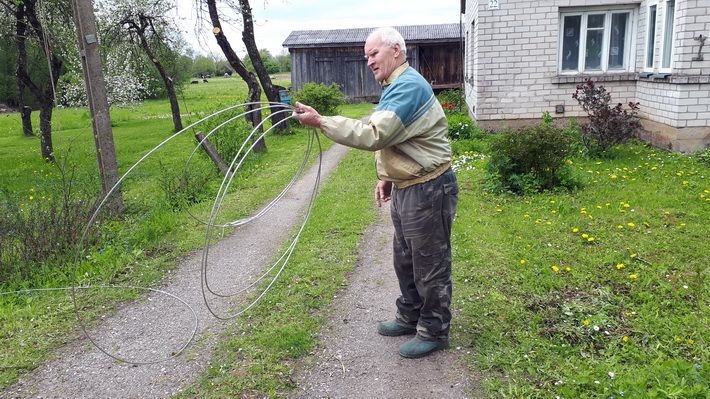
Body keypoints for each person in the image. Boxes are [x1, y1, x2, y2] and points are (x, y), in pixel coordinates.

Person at [293, 26, 458, 359]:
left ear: (395, 50)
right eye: (366, 56)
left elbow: (374, 134)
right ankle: (410, 316)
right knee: (405, 260)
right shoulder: (395, 85)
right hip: (409, 187)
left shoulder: (407, 85)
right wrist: (387, 176)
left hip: (428, 188)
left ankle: (434, 330)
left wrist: (323, 121)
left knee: (429, 263)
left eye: (373, 54)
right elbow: (399, 137)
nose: (368, 61)